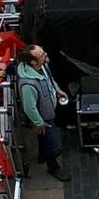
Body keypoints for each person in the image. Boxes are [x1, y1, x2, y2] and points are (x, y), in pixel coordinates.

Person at [16, 45, 70, 182]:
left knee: (43, 137)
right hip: (43, 117)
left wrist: (56, 90)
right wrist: (39, 122)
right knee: (50, 141)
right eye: (41, 55)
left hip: (48, 110)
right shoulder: (28, 84)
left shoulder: (42, 66)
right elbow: (30, 108)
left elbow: (49, 80)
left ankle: (42, 155)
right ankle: (53, 167)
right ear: (33, 62)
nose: (45, 54)